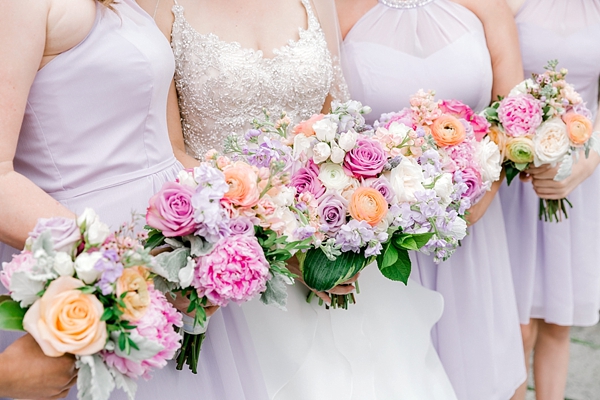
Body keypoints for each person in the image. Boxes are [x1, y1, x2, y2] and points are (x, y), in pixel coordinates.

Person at [142, 0, 458, 398]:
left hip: (325, 241)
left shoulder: (313, 3)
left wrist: (338, 224)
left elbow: (334, 127)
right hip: (230, 245)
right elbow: (168, 149)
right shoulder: (162, 9)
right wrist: (269, 232)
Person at [0, 0, 262, 398]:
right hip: (96, 272)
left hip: (174, 261)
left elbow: (167, 149)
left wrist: (240, 219)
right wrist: (128, 270)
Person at [338, 0, 527, 399]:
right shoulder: (337, 10)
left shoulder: (489, 8)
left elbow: (513, 116)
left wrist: (484, 186)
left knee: (481, 368)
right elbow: (325, 122)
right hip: (382, 239)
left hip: (472, 229)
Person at [501, 0, 600, 398]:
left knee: (559, 322)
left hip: (580, 176)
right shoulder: (509, 5)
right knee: (517, 329)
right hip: (517, 177)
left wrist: (584, 164)